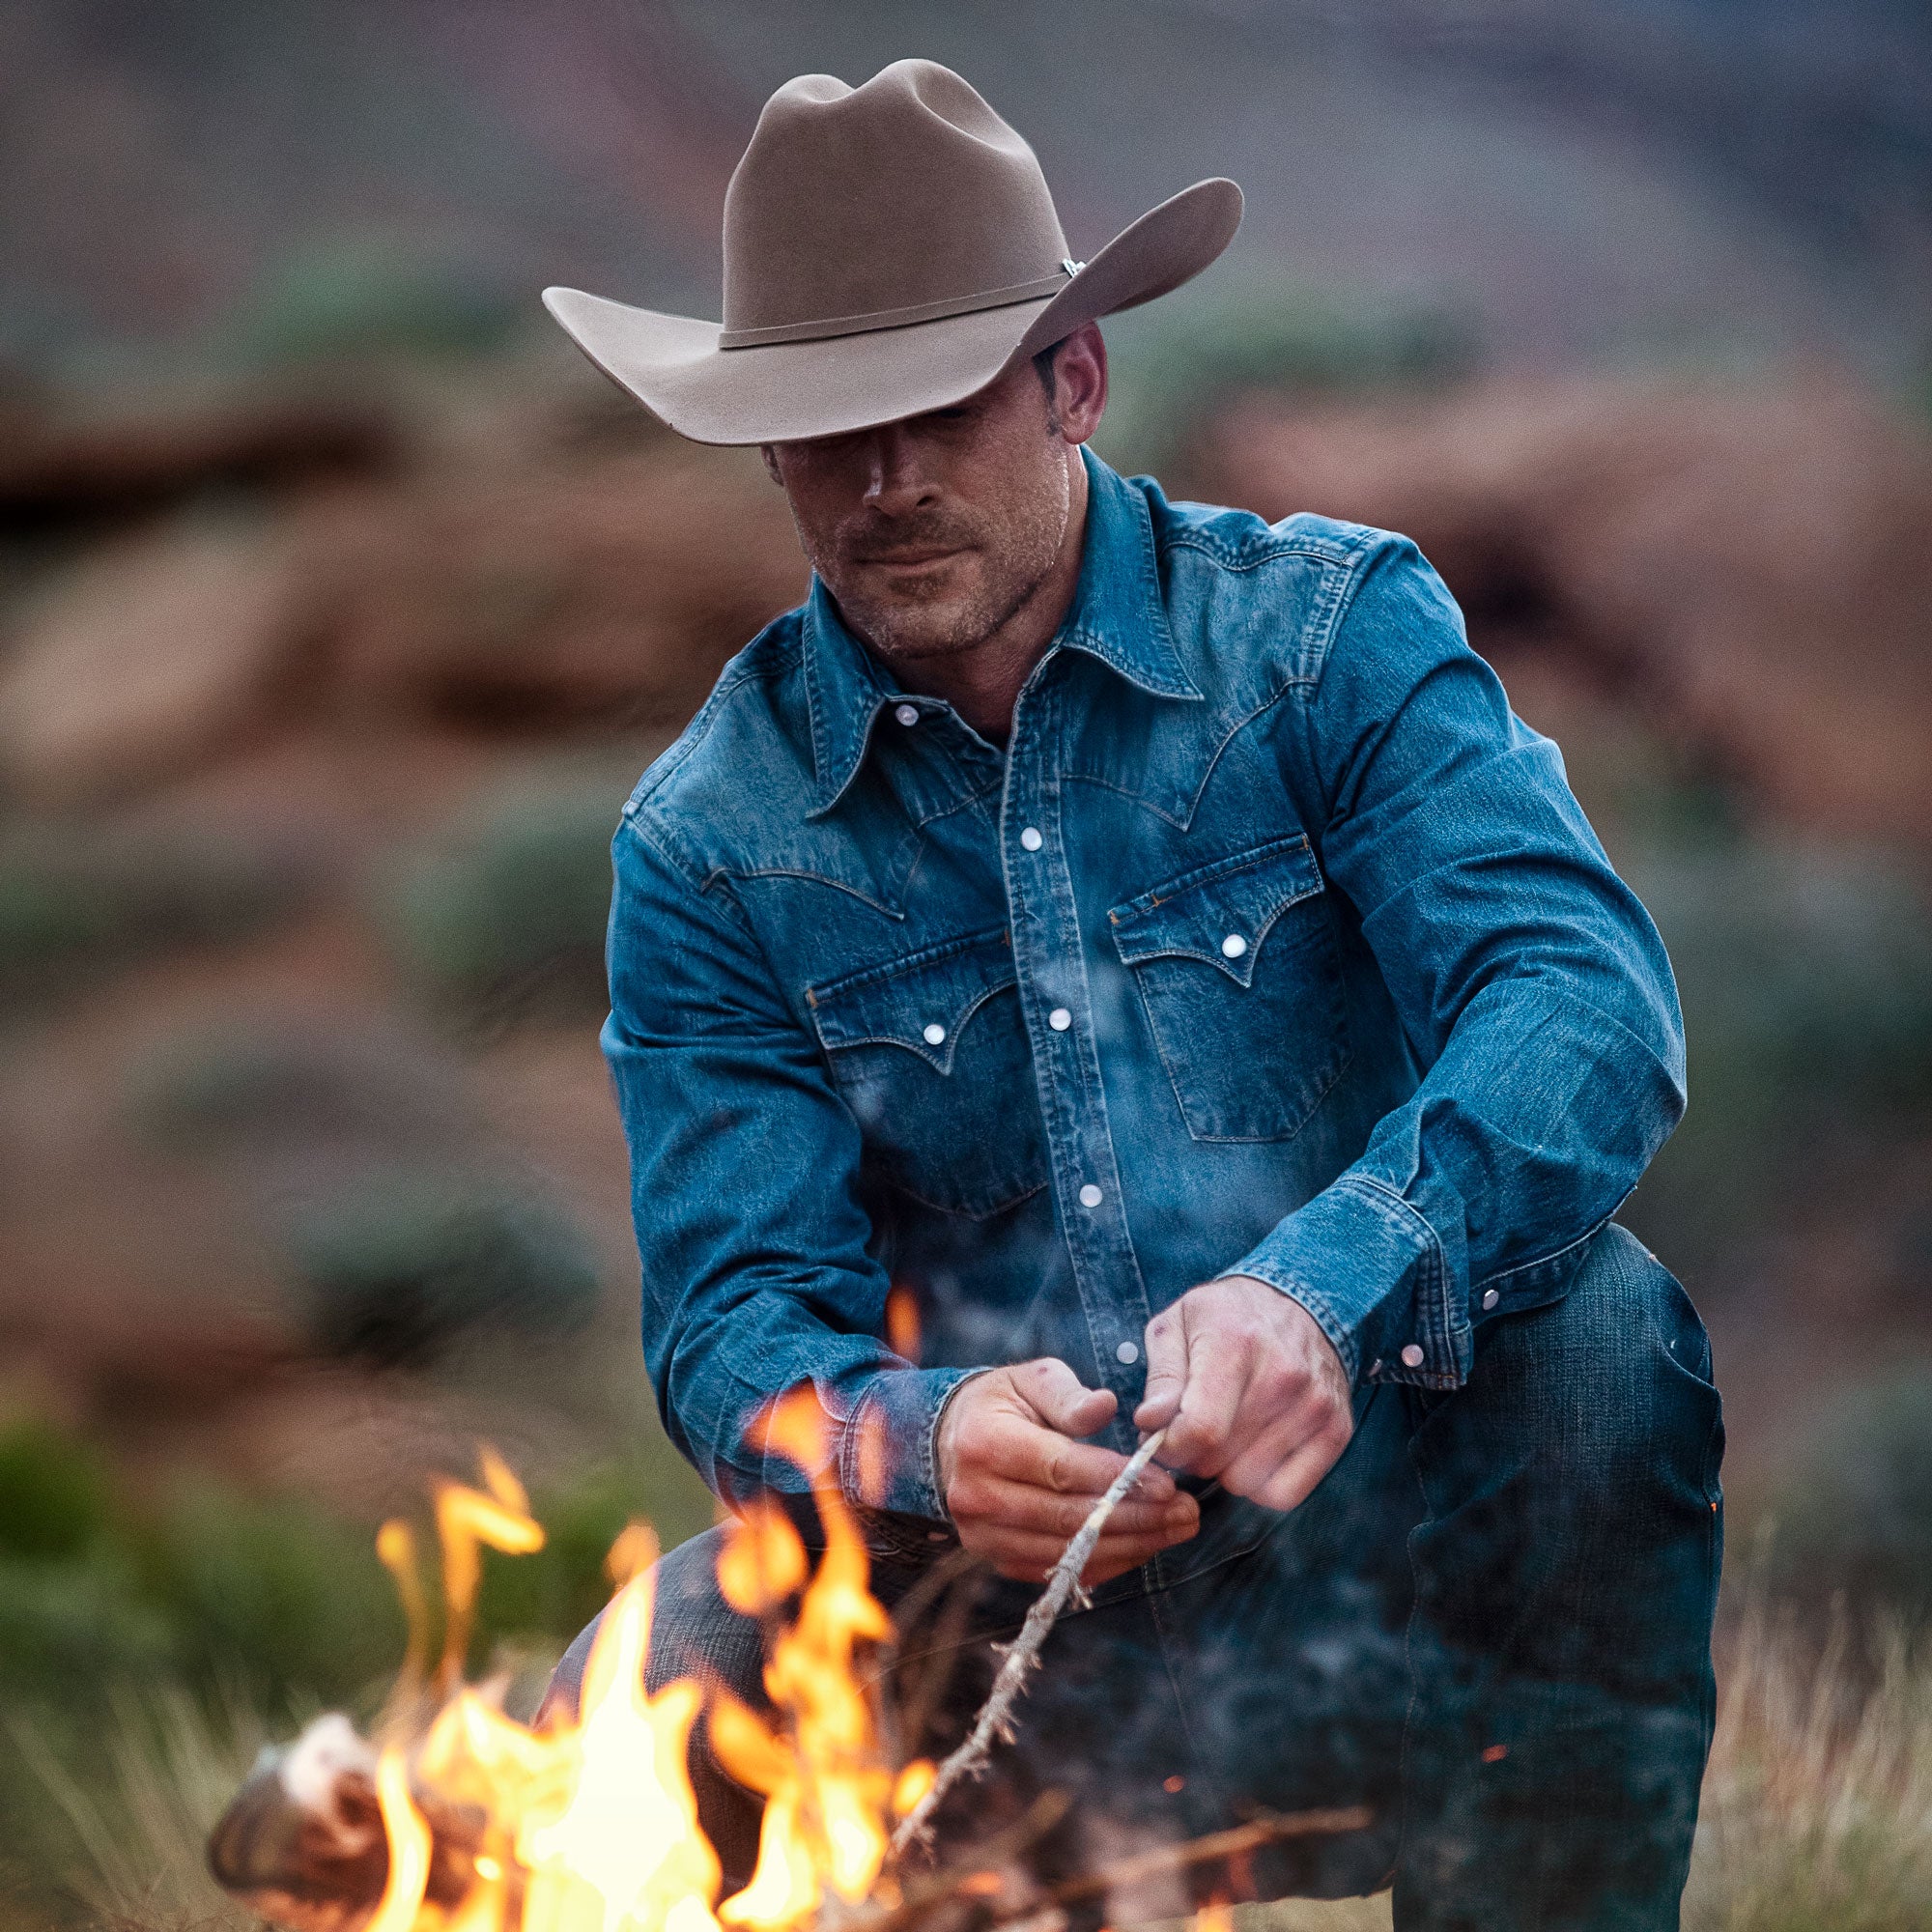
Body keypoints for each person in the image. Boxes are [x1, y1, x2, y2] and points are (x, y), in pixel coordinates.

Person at [540, 59, 1723, 1932]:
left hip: (1386, 1563)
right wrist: (912, 1438)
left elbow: (1576, 997)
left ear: (1070, 383)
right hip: (987, 1630)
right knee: (651, 1667)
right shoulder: (706, 841)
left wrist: (1318, 1287)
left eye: (932, 408)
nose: (885, 481)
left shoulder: (1328, 634)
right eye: (822, 430)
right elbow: (729, 1327)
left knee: (1598, 1341)